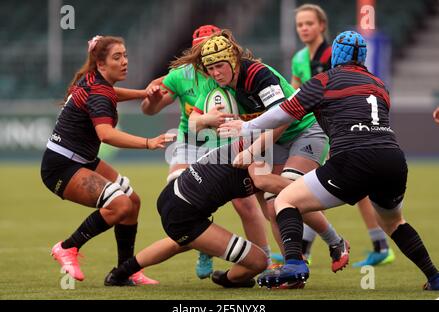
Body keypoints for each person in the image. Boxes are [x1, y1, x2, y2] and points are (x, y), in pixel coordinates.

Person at [219, 31, 439, 290]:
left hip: (352, 157)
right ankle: (434, 276)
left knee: (285, 200)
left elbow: (283, 114)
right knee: (394, 222)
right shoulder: (380, 85)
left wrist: (245, 128)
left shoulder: (323, 81)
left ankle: (294, 264)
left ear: (335, 54)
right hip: (393, 159)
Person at [174, 30, 349, 273]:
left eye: (220, 66)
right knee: (273, 206)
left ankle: (336, 242)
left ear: (233, 61)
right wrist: (208, 119)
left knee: (291, 194)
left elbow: (282, 119)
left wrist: (253, 150)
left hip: (304, 130)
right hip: (268, 140)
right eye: (210, 68)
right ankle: (293, 265)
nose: (215, 73)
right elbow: (192, 123)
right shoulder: (218, 83)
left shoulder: (259, 75)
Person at [103, 135, 344, 288]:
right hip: (185, 212)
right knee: (258, 261)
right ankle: (227, 279)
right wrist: (312, 190)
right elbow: (265, 184)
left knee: (181, 242)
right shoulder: (258, 147)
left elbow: (271, 209)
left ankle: (119, 274)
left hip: (173, 198)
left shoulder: (254, 142)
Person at [41, 35, 175, 284]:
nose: (124, 61)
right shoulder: (98, 93)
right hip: (62, 166)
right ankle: (68, 247)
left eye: (125, 55)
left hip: (80, 159)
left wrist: (142, 93)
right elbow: (106, 134)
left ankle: (124, 273)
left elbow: (112, 93)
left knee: (132, 202)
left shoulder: (96, 81)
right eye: (117, 57)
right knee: (120, 205)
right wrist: (148, 143)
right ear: (101, 64)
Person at [141, 25, 270, 280]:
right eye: (200, 50)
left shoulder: (229, 71)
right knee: (177, 190)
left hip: (222, 142)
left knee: (245, 202)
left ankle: (264, 257)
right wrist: (153, 97)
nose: (207, 56)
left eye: (210, 48)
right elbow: (149, 109)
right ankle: (205, 244)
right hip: (190, 142)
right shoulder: (180, 74)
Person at [290, 3, 395, 268]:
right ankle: (378, 245)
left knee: (326, 185)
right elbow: (294, 96)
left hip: (339, 130)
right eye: (300, 24)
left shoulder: (335, 57)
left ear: (322, 26)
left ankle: (307, 250)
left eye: (309, 23)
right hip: (315, 129)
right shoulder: (299, 59)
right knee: (332, 186)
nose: (304, 28)